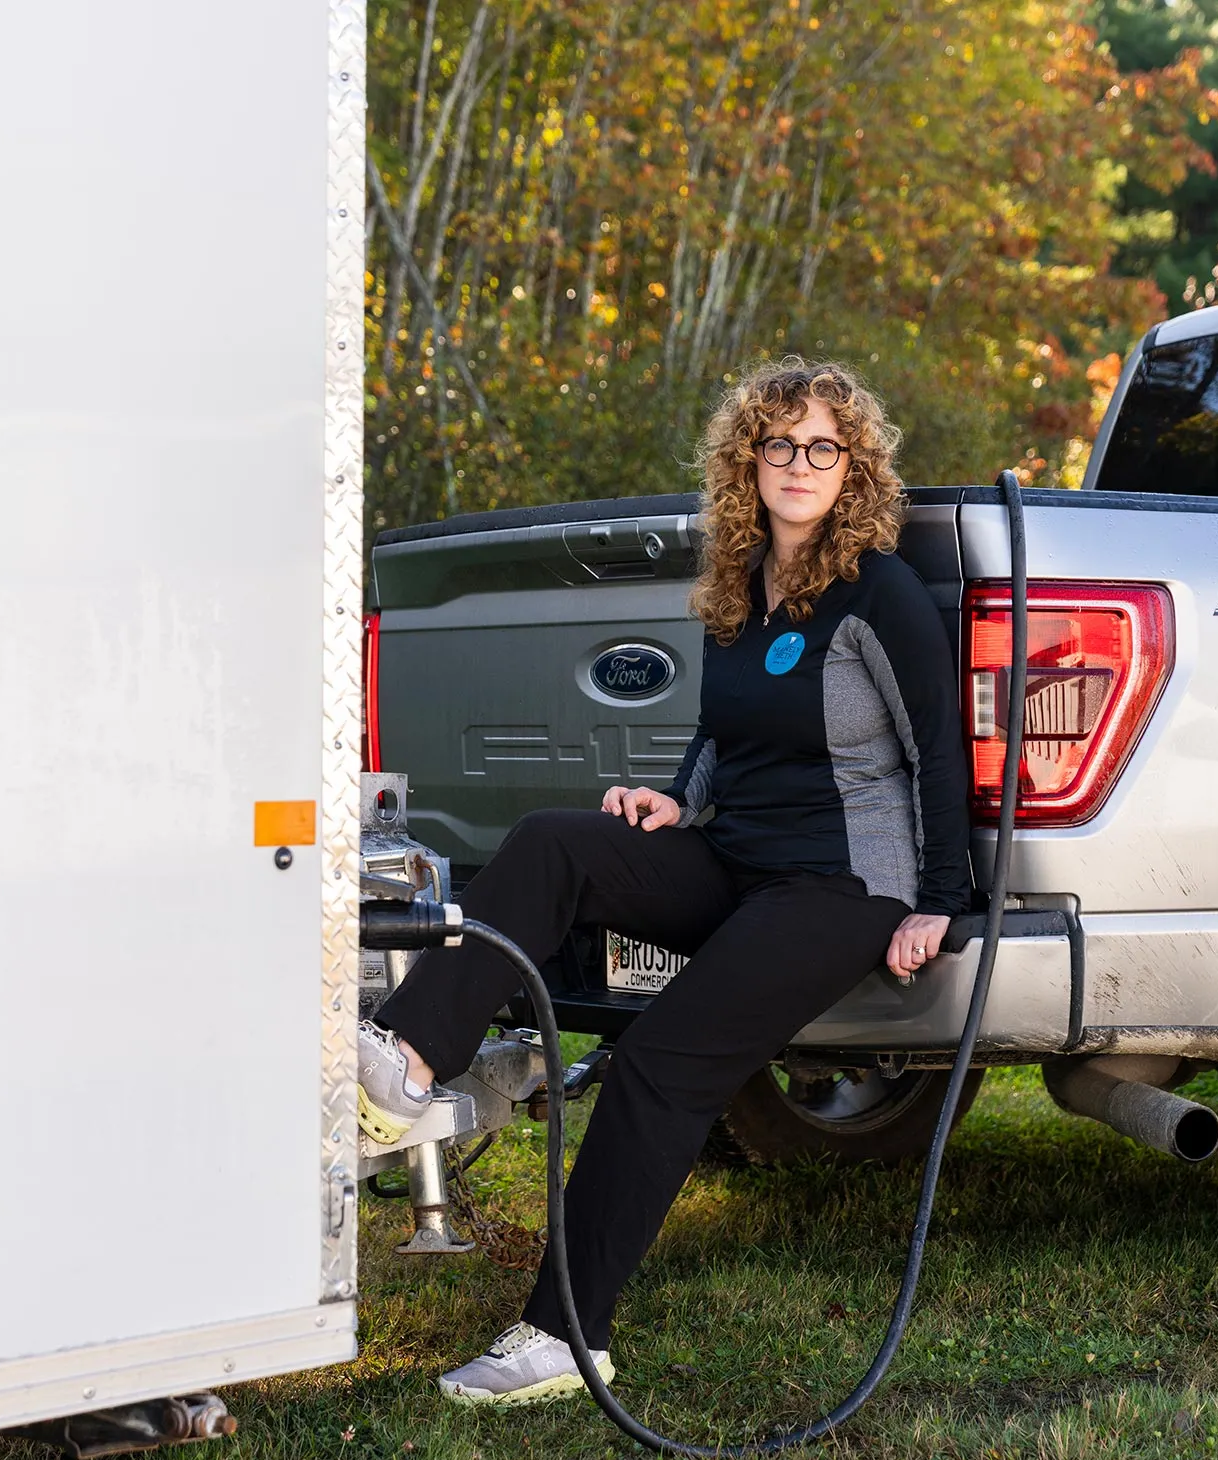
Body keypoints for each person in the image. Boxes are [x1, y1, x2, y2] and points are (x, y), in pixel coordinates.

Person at [357, 356, 972, 1406]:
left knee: (659, 1064)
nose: (798, 464)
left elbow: (939, 751)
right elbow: (716, 734)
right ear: (750, 460)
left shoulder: (880, 591)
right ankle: (407, 1066)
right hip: (737, 859)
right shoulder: (738, 586)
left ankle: (564, 1338)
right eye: (778, 444)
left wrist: (937, 903)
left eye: (822, 447)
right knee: (557, 839)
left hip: (838, 888)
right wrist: (679, 805)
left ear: (852, 465)